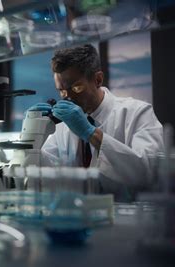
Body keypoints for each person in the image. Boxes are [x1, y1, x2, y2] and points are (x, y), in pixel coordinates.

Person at [28, 44, 164, 200]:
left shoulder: (138, 113)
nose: (67, 97)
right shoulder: (63, 125)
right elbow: (43, 175)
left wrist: (91, 133)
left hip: (127, 219)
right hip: (76, 217)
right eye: (61, 90)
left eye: (77, 87)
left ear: (98, 79)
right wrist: (32, 134)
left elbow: (149, 173)